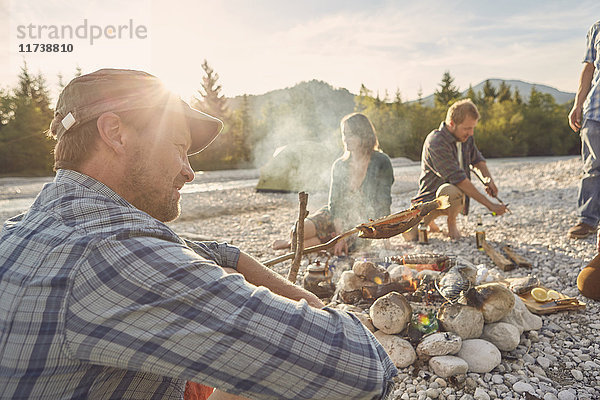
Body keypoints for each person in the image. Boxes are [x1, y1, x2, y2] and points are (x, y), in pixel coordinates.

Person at [0, 69, 397, 400]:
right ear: (115, 133)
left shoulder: (28, 227)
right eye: (179, 147)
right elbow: (362, 368)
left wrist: (297, 293)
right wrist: (319, 311)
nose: (189, 171)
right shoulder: (116, 256)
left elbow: (206, 250)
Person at [272, 112, 394, 255]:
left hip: (360, 225)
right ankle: (297, 241)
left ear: (363, 134)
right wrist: (339, 235)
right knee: (296, 232)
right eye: (344, 134)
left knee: (300, 247)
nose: (345, 139)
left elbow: (383, 203)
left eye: (350, 135)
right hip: (334, 217)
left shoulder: (381, 162)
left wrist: (386, 239)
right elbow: (334, 204)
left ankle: (314, 243)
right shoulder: (339, 165)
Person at [404, 99, 507, 241]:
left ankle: (451, 222)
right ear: (452, 124)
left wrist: (488, 180)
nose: (471, 133)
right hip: (429, 200)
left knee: (452, 192)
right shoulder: (436, 142)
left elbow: (478, 160)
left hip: (451, 198)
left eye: (473, 128)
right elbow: (459, 180)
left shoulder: (466, 138)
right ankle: (429, 218)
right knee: (410, 236)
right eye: (467, 128)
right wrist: (491, 206)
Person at [567, 20, 600, 239]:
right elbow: (588, 67)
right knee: (592, 168)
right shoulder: (596, 28)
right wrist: (578, 104)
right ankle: (587, 220)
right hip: (595, 112)